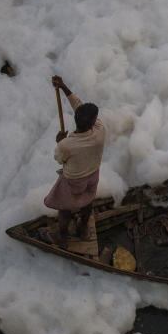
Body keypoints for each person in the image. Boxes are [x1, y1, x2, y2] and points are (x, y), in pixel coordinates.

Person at [43, 75, 106, 246]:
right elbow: (79, 106)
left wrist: (59, 142)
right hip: (93, 174)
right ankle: (83, 229)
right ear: (93, 122)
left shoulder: (67, 144)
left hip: (74, 180)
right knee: (88, 202)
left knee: (65, 208)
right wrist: (63, 87)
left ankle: (62, 237)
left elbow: (59, 159)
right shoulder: (100, 131)